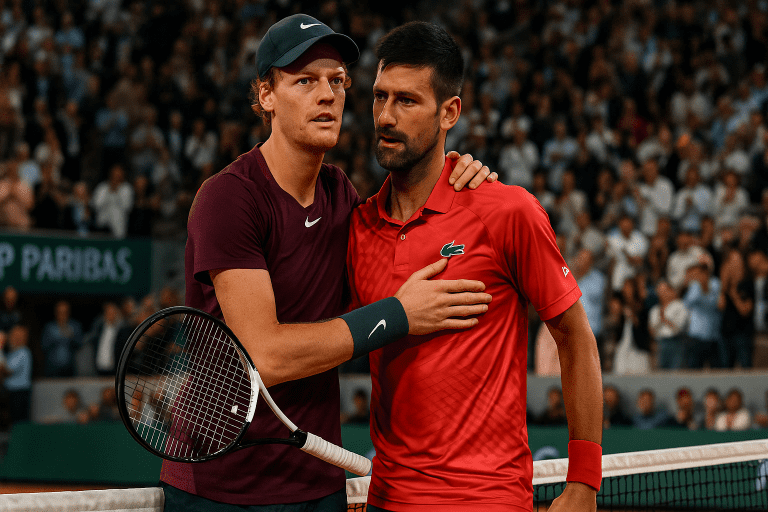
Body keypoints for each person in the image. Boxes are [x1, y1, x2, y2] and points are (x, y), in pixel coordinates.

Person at [160, 14, 495, 511]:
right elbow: (265, 357)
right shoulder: (229, 199)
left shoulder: (340, 194)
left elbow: (394, 253)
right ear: (266, 95)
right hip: (223, 486)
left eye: (337, 81)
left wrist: (454, 172)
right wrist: (397, 315)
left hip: (315, 479)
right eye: (305, 81)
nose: (328, 94)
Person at [346, 22, 602, 512]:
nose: (385, 116)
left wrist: (583, 483)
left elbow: (575, 337)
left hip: (487, 500)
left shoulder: (507, 212)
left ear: (450, 112)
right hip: (386, 499)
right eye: (379, 97)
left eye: (406, 101)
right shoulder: (357, 228)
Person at [648, 279, 689, 369]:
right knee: (661, 373)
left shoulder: (680, 306)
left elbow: (679, 329)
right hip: (660, 344)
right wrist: (660, 320)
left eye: (665, 291)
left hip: (676, 342)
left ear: (671, 291)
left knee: (676, 372)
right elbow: (651, 331)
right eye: (660, 291)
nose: (662, 294)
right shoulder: (654, 310)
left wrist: (665, 320)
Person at [40, 299, 83, 377]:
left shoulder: (75, 326)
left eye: (65, 312)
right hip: (52, 367)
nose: (62, 315)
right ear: (56, 313)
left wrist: (71, 337)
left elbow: (80, 344)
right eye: (60, 312)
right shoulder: (49, 328)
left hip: (70, 367)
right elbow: (43, 346)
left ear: (69, 313)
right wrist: (55, 338)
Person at [0, 324, 33, 425]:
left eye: (15, 336)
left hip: (19, 393)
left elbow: (7, 371)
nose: (11, 338)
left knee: (19, 423)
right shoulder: (12, 353)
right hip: (11, 393)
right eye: (12, 335)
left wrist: (0, 347)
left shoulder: (24, 352)